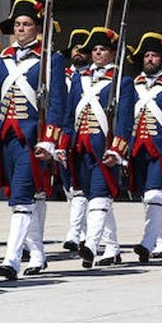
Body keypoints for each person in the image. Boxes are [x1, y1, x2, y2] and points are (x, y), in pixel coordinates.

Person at [0, 0, 66, 281]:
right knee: (22, 197)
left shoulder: (51, 59)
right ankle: (38, 254)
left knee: (21, 198)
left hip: (33, 139)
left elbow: (56, 103)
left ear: (37, 28)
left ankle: (12, 259)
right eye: (17, 24)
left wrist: (49, 140)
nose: (21, 28)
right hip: (5, 138)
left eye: (27, 24)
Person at [108, 32, 162, 262]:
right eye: (147, 55)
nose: (150, 59)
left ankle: (147, 243)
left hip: (160, 148)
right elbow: (125, 119)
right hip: (136, 148)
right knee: (148, 198)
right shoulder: (133, 86)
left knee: (155, 195)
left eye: (154, 55)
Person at [64, 27, 124, 268]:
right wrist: (63, 145)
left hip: (104, 149)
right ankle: (113, 247)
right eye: (95, 50)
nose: (98, 53)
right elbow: (70, 116)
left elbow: (124, 120)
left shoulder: (121, 81)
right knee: (96, 199)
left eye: (103, 49)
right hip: (81, 149)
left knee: (99, 198)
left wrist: (117, 149)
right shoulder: (79, 79)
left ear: (112, 53)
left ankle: (90, 245)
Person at [60, 28, 91, 253]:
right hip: (61, 132)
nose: (78, 53)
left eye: (83, 49)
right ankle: (82, 231)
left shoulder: (93, 77)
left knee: (80, 186)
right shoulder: (61, 75)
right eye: (75, 49)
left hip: (83, 132)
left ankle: (75, 233)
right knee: (68, 186)